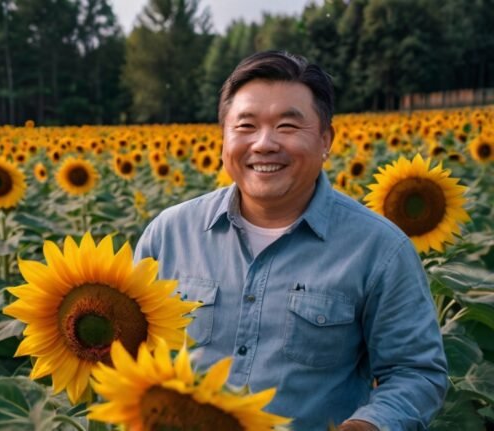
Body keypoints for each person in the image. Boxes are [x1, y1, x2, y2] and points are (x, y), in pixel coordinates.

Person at [134, 51, 447, 430]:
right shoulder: (169, 234)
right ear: (223, 139)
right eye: (245, 126)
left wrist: (369, 425)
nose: (264, 144)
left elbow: (415, 372)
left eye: (287, 125)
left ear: (326, 139)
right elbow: (133, 355)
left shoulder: (380, 249)